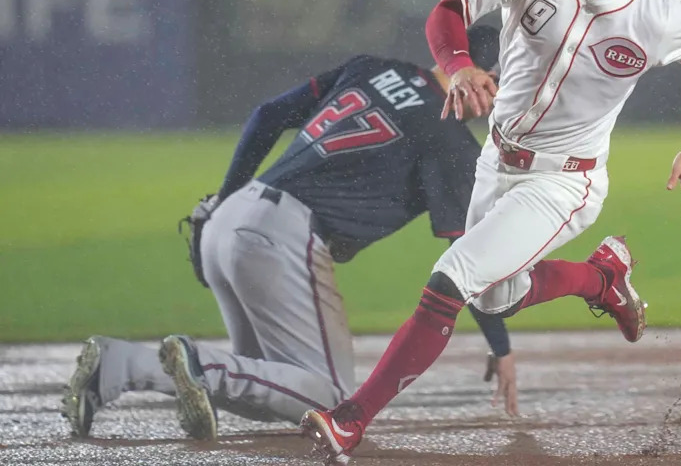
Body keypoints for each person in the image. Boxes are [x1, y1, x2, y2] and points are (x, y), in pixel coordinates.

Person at [301, 0, 681, 465]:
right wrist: (458, 66)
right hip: (497, 161)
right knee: (494, 297)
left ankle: (352, 418)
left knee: (449, 281)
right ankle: (601, 277)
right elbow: (448, 9)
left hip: (566, 181)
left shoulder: (658, 15)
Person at [60, 26, 521, 441]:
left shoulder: (373, 67)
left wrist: (224, 200)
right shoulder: (451, 141)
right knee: (331, 400)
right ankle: (197, 363)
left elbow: (267, 114)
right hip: (283, 238)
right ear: (487, 76)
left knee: (267, 383)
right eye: (507, 83)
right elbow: (465, 258)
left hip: (237, 213)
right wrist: (499, 345)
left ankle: (117, 367)